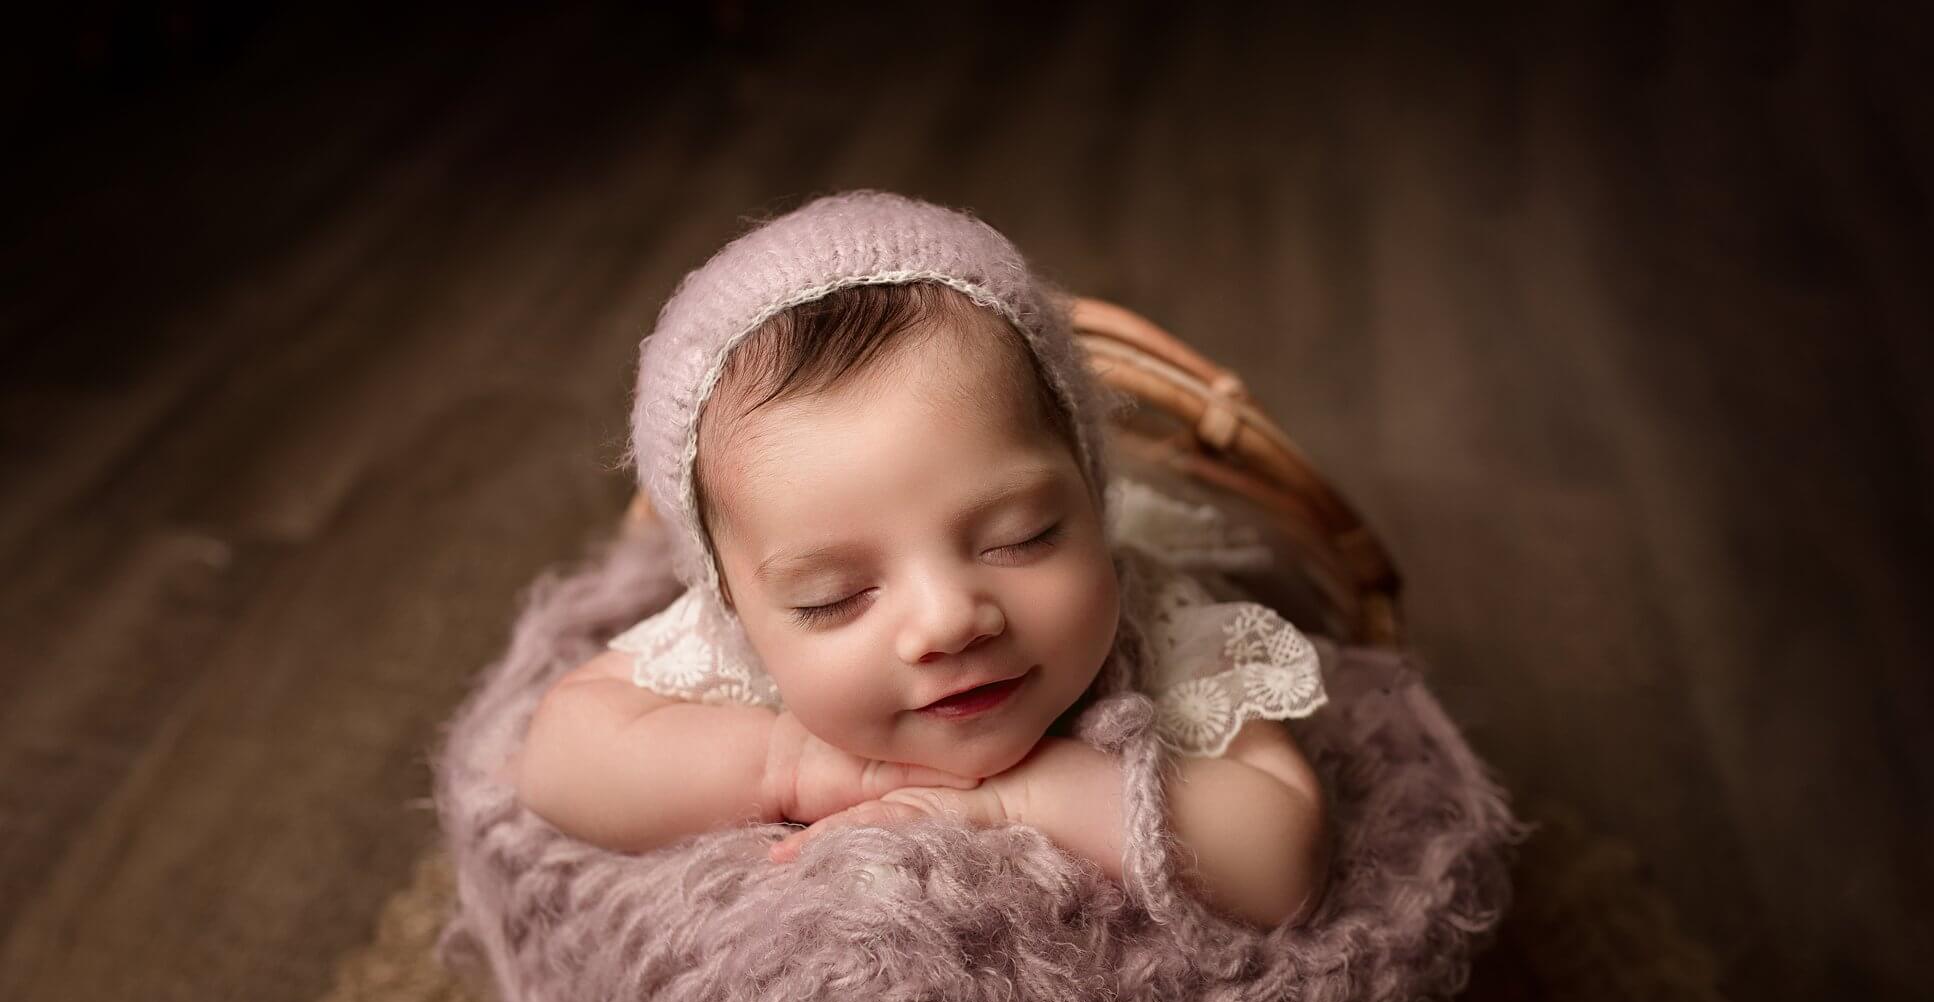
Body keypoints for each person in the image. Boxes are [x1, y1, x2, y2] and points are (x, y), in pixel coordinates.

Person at [514, 191, 1333, 931]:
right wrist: (790, 763)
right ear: (734, 607)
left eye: (1022, 537)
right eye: (834, 598)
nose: (948, 620)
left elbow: (1285, 867)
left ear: (1091, 492)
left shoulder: (1161, 622)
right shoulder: (728, 651)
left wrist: (1035, 793)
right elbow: (555, 759)